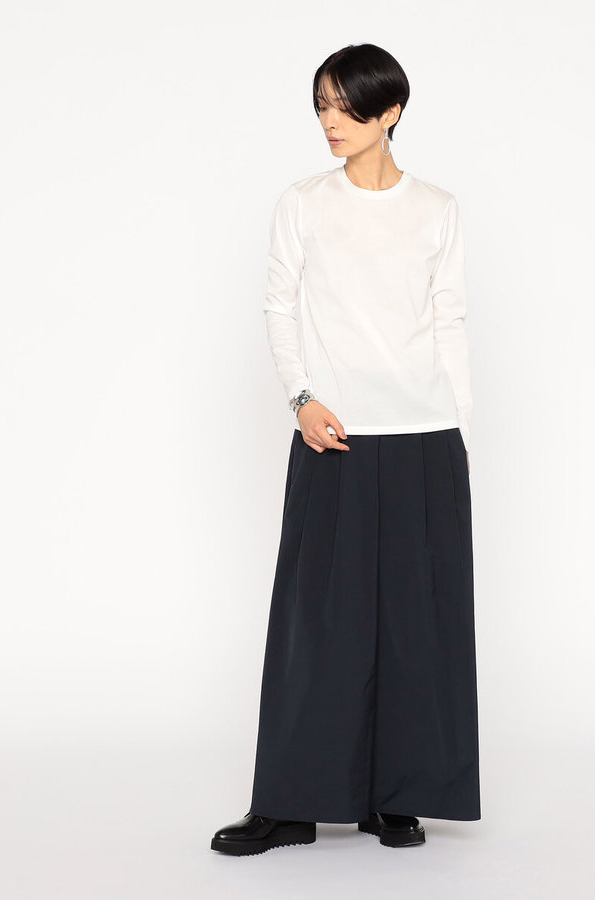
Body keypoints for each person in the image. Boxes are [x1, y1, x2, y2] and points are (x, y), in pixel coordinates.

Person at [211, 43, 480, 857]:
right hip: (336, 436)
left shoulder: (437, 208)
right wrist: (301, 399)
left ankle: (395, 797)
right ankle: (288, 804)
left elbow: (449, 320)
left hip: (424, 436)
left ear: (390, 111)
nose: (330, 121)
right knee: (316, 623)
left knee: (417, 627)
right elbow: (278, 307)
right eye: (322, 105)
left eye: (346, 105)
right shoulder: (304, 203)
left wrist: (461, 433)